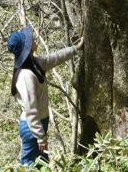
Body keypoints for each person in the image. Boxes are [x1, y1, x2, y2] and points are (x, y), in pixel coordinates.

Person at [6, 25, 83, 167]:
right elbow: (31, 110)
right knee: (29, 165)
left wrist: (75, 49)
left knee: (42, 163)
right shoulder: (25, 76)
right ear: (27, 48)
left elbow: (53, 58)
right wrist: (40, 136)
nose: (33, 40)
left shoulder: (34, 63)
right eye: (30, 41)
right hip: (32, 128)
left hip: (39, 124)